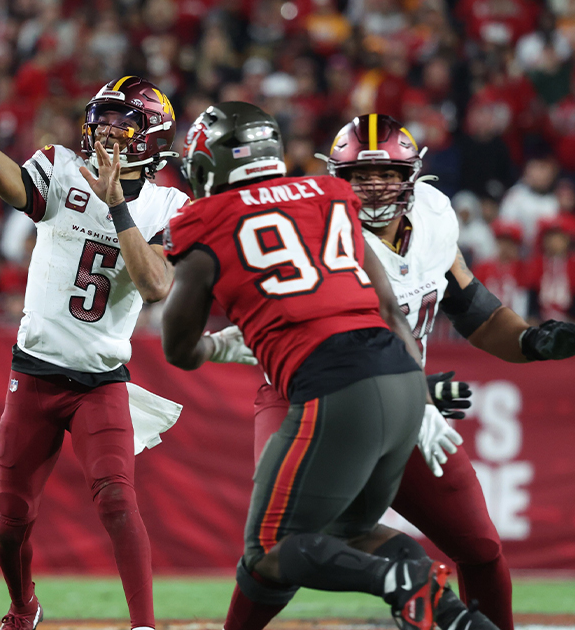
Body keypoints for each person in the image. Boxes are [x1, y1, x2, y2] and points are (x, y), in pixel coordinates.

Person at [0, 18, 251, 630]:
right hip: (34, 375)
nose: (105, 132)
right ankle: (23, 607)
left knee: (117, 499)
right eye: (101, 120)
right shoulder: (59, 170)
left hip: (101, 382)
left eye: (120, 125)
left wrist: (118, 206)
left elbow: (158, 286)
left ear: (149, 140)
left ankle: (143, 627)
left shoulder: (169, 206)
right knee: (9, 525)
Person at [222, 114, 575, 630]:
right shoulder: (313, 231)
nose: (375, 187)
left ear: (414, 176)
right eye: (360, 175)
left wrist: (530, 341)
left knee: (481, 546)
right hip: (307, 396)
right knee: (281, 546)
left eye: (388, 174)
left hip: (401, 406)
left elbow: (474, 308)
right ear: (336, 177)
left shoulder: (433, 214)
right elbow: (328, 344)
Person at [162, 102, 497, 630]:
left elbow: (177, 348)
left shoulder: (202, 221)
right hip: (402, 380)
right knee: (348, 533)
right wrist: (420, 395)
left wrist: (218, 346)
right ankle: (443, 608)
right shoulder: (329, 195)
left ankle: (401, 583)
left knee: (269, 549)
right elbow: (388, 309)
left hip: (333, 387)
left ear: (210, 165)